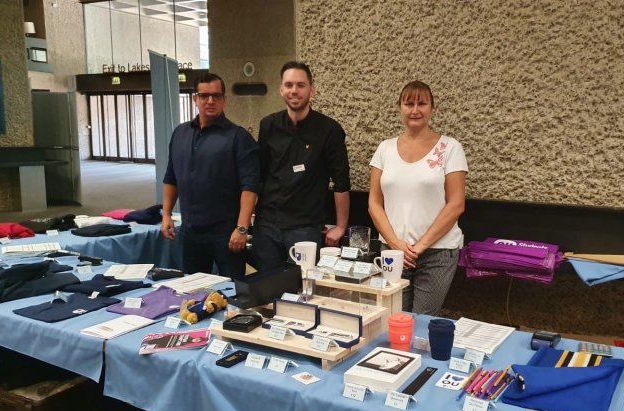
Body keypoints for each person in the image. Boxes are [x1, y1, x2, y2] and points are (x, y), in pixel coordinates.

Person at [368, 80, 468, 315]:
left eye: (422, 103)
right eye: (408, 103)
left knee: (421, 323)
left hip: (437, 252)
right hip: (393, 252)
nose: (415, 110)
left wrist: (419, 247)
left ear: (432, 108)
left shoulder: (450, 148)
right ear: (400, 108)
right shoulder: (385, 149)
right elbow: (374, 203)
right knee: (394, 320)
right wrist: (394, 243)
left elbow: (456, 204)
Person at [252, 61, 350, 272]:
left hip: (305, 228)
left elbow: (341, 181)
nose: (294, 91)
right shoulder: (268, 125)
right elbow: (259, 175)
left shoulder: (329, 130)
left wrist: (341, 226)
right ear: (281, 89)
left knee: (303, 292)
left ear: (311, 90)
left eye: (300, 85)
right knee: (266, 293)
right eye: (288, 85)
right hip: (267, 225)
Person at [161, 73, 260, 280]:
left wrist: (242, 228)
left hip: (227, 234)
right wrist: (166, 215)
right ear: (194, 99)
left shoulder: (239, 137)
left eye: (216, 96)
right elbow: (171, 178)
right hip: (189, 232)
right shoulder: (180, 134)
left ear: (225, 100)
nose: (210, 101)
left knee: (233, 291)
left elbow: (250, 187)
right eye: (204, 96)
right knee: (193, 290)